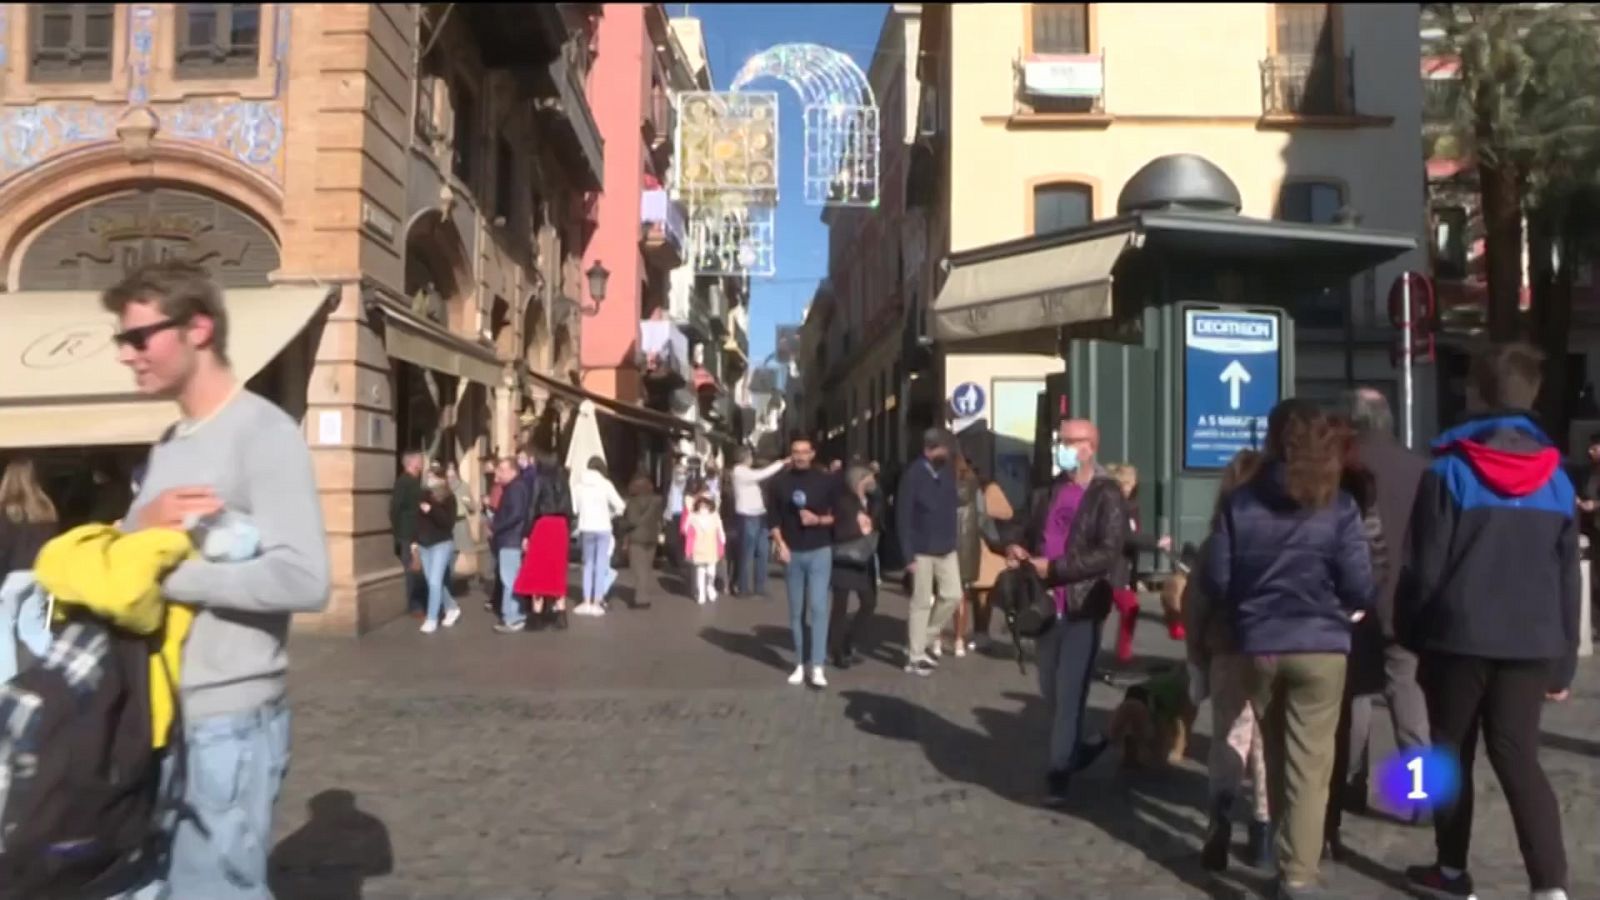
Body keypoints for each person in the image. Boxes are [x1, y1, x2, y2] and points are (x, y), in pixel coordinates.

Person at [107, 260, 331, 897]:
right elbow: (138, 553)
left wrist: (175, 579)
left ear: (197, 328)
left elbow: (304, 578)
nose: (128, 355)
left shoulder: (264, 433)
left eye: (139, 338)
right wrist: (137, 530)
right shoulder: (171, 441)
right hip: (157, 714)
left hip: (229, 719)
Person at [1398, 342, 1577, 900]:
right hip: (1532, 642)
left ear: (1476, 393)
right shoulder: (1559, 480)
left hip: (1458, 637)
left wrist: (1409, 631)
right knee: (1519, 756)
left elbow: (1424, 569)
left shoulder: (1449, 471)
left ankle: (1451, 873)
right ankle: (1550, 886)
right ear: (1534, 396)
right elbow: (1568, 578)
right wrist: (1564, 663)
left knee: (1448, 753)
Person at [1201, 398, 1373, 899]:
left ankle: (1282, 851)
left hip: (1260, 643)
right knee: (1311, 764)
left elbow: (1218, 578)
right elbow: (1360, 585)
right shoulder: (1339, 505)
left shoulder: (1241, 503)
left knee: (1274, 753)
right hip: (1321, 644)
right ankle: (1298, 874)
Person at [1012, 418, 1126, 805]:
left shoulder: (1106, 494)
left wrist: (1057, 569)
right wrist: (1015, 547)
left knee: (1070, 689)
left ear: (1090, 447)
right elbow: (1023, 528)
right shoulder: (1048, 490)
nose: (1060, 446)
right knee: (1050, 689)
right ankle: (1076, 748)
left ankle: (1059, 771)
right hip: (1044, 605)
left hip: (1082, 604)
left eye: (1069, 441)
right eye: (1059, 440)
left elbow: (1108, 552)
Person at [1332, 388, 1430, 824]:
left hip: (1352, 602)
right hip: (1406, 602)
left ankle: (1350, 784)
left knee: (1352, 698)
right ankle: (1423, 796)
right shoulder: (1420, 468)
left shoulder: (1340, 468)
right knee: (1410, 702)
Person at [1183, 449, 1273, 873]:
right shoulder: (1283, 533)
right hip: (1275, 647)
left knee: (1229, 739)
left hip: (1227, 648)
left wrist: (1195, 658)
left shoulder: (1216, 539)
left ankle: (1220, 815)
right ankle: (1263, 832)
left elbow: (1196, 604)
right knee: (1266, 744)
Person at [767, 434, 840, 688]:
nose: (799, 456)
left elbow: (839, 516)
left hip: (820, 550)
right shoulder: (779, 483)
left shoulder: (827, 482)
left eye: (804, 451)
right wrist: (780, 544)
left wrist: (818, 520)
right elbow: (773, 519)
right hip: (792, 553)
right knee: (796, 611)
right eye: (795, 451)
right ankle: (799, 663)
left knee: (819, 608)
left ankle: (817, 666)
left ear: (812, 454)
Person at [896, 428, 962, 675]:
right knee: (921, 602)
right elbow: (902, 516)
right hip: (921, 549)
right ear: (929, 450)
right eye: (943, 449)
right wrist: (907, 555)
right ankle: (915, 656)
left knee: (953, 595)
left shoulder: (947, 472)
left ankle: (922, 639)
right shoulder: (913, 475)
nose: (947, 453)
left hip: (947, 547)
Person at [0, 458, 59, 682]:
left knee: (2, 632)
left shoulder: (5, 512)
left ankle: (6, 683)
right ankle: (57, 670)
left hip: (12, 578)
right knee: (32, 628)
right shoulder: (46, 510)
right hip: (40, 575)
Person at [828, 465, 881, 669]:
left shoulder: (870, 500)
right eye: (868, 477)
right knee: (840, 606)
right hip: (845, 555)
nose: (872, 480)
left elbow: (876, 519)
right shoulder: (844, 500)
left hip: (864, 556)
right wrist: (861, 529)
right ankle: (837, 650)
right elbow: (842, 526)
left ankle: (850, 640)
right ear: (860, 480)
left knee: (869, 602)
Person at [515, 451, 572, 628]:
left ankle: (537, 616)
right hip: (560, 525)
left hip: (543, 524)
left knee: (538, 569)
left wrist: (526, 533)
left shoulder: (539, 480)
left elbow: (532, 507)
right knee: (557, 569)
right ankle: (561, 614)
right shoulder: (563, 481)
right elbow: (570, 507)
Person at [574, 456, 626, 617]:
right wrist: (611, 514)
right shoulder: (605, 484)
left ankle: (586, 601)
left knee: (588, 564)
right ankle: (597, 601)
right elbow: (620, 505)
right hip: (603, 526)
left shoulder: (578, 485)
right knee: (601, 564)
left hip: (586, 527)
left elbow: (575, 509)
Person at [731, 449, 786, 596]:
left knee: (763, 551)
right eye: (750, 456)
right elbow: (761, 474)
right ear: (745, 458)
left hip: (760, 514)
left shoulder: (747, 472)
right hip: (747, 516)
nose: (751, 459)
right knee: (747, 553)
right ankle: (743, 587)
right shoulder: (739, 471)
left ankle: (760, 586)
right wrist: (781, 463)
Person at [488, 458, 532, 633]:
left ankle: (512, 617)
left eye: (502, 469)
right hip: (510, 538)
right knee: (511, 578)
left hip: (510, 539)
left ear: (513, 471)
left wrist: (496, 526)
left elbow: (515, 514)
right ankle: (516, 614)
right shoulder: (515, 487)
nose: (499, 473)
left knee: (509, 579)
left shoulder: (515, 488)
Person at [415, 473, 462, 634]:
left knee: (434, 581)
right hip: (424, 545)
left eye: (434, 476)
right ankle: (451, 607)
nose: (430, 479)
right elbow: (416, 521)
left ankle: (432, 618)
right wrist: (414, 541)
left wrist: (432, 509)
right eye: (428, 476)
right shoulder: (422, 495)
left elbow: (447, 524)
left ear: (441, 479)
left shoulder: (449, 498)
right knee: (433, 582)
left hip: (441, 544)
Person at [390, 451, 426, 618]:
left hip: (418, 532)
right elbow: (395, 508)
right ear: (411, 463)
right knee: (412, 570)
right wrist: (399, 532)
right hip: (408, 533)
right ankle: (414, 605)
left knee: (417, 569)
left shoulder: (415, 481)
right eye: (420, 460)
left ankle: (419, 602)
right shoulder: (404, 482)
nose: (422, 462)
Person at [621, 474, 664, 608]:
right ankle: (644, 596)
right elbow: (659, 520)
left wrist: (623, 523)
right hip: (651, 538)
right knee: (646, 568)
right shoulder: (657, 501)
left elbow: (633, 521)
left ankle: (641, 599)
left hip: (637, 539)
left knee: (639, 570)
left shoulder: (633, 502)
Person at [684, 495, 726, 605]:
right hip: (698, 547)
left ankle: (710, 587)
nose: (703, 507)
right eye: (701, 504)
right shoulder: (693, 516)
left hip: (711, 546)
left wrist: (722, 538)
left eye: (705, 504)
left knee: (711, 571)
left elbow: (720, 528)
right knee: (700, 571)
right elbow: (685, 528)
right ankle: (701, 593)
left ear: (709, 505)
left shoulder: (715, 515)